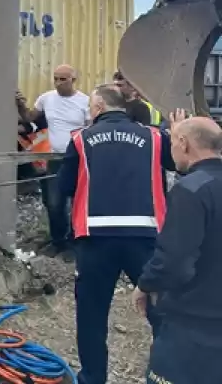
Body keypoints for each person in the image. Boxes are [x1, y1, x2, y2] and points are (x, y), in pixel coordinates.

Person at [57, 84, 174, 384]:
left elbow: (64, 188)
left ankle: (93, 378)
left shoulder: (81, 140)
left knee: (92, 317)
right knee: (162, 313)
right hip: (145, 237)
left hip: (95, 239)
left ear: (97, 107)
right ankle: (167, 373)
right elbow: (180, 166)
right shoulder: (154, 137)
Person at [134, 116, 222, 384]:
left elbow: (175, 262)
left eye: (171, 142)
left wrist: (146, 285)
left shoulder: (192, 190)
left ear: (183, 144)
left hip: (194, 325)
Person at [17, 64, 90, 256]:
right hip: (55, 158)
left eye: (63, 79)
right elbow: (30, 117)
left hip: (78, 159)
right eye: (56, 78)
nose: (58, 83)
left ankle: (76, 242)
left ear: (74, 80)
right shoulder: (46, 98)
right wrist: (20, 105)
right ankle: (58, 241)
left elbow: (91, 129)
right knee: (54, 202)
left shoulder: (85, 102)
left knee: (77, 202)